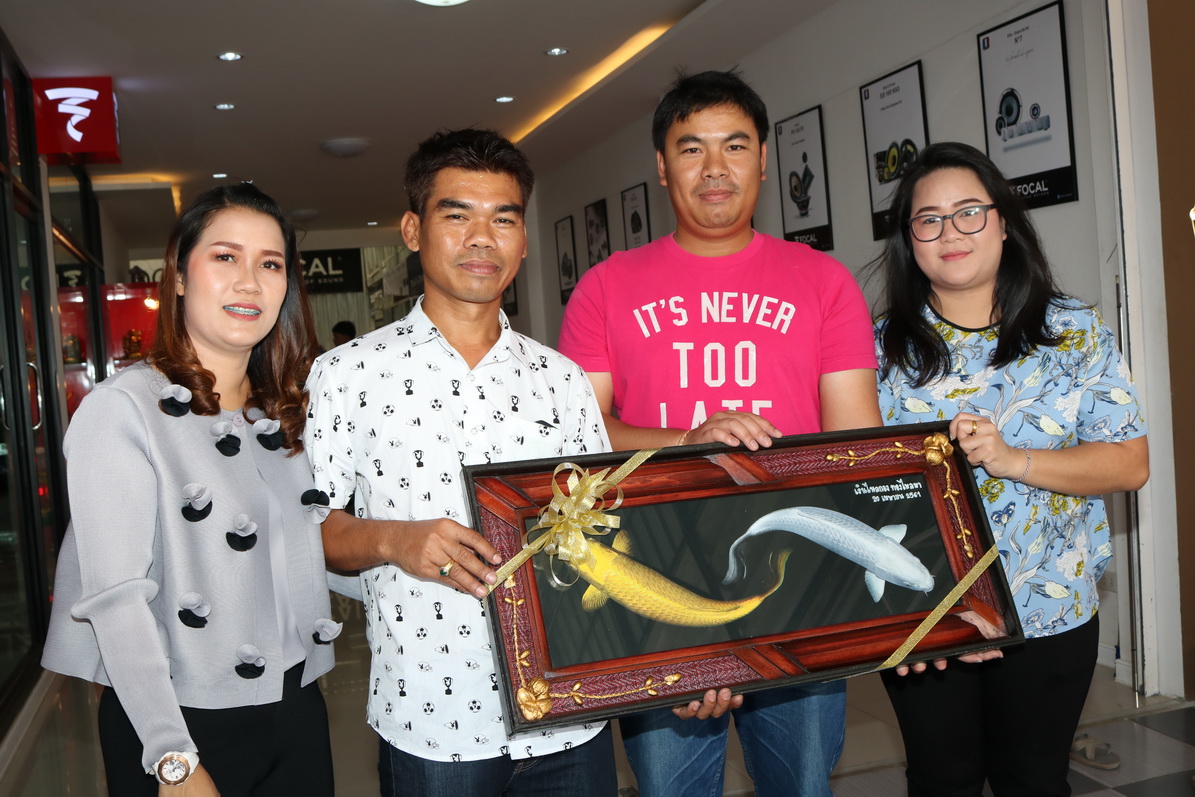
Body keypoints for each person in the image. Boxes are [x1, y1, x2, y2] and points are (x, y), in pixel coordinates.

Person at [558, 70, 882, 797]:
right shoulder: (605, 287)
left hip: (797, 578)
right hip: (660, 577)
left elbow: (856, 442)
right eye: (691, 148)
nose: (714, 168)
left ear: (763, 159)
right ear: (661, 165)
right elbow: (579, 437)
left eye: (734, 146)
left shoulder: (824, 281)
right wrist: (687, 440)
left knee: (802, 786)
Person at [304, 128, 617, 797]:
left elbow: (601, 531)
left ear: (523, 240)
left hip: (568, 713)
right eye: (457, 215)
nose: (482, 238)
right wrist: (395, 539)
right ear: (412, 230)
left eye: (503, 218)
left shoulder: (561, 380)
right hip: (430, 720)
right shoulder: (347, 374)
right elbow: (311, 530)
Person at [869, 141, 1149, 796]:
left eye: (968, 211)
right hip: (926, 606)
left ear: (1002, 221)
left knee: (1033, 780)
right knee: (941, 780)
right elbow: (859, 488)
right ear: (909, 240)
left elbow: (1128, 462)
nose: (950, 232)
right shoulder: (876, 348)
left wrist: (1011, 459)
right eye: (928, 219)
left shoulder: (1072, 330)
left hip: (1048, 603)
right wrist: (937, 607)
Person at [41, 184, 340, 796]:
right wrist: (171, 755)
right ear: (178, 276)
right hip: (176, 716)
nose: (249, 282)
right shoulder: (124, 409)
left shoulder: (279, 414)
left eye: (271, 264)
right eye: (225, 257)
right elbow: (116, 598)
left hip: (296, 703)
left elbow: (299, 553)